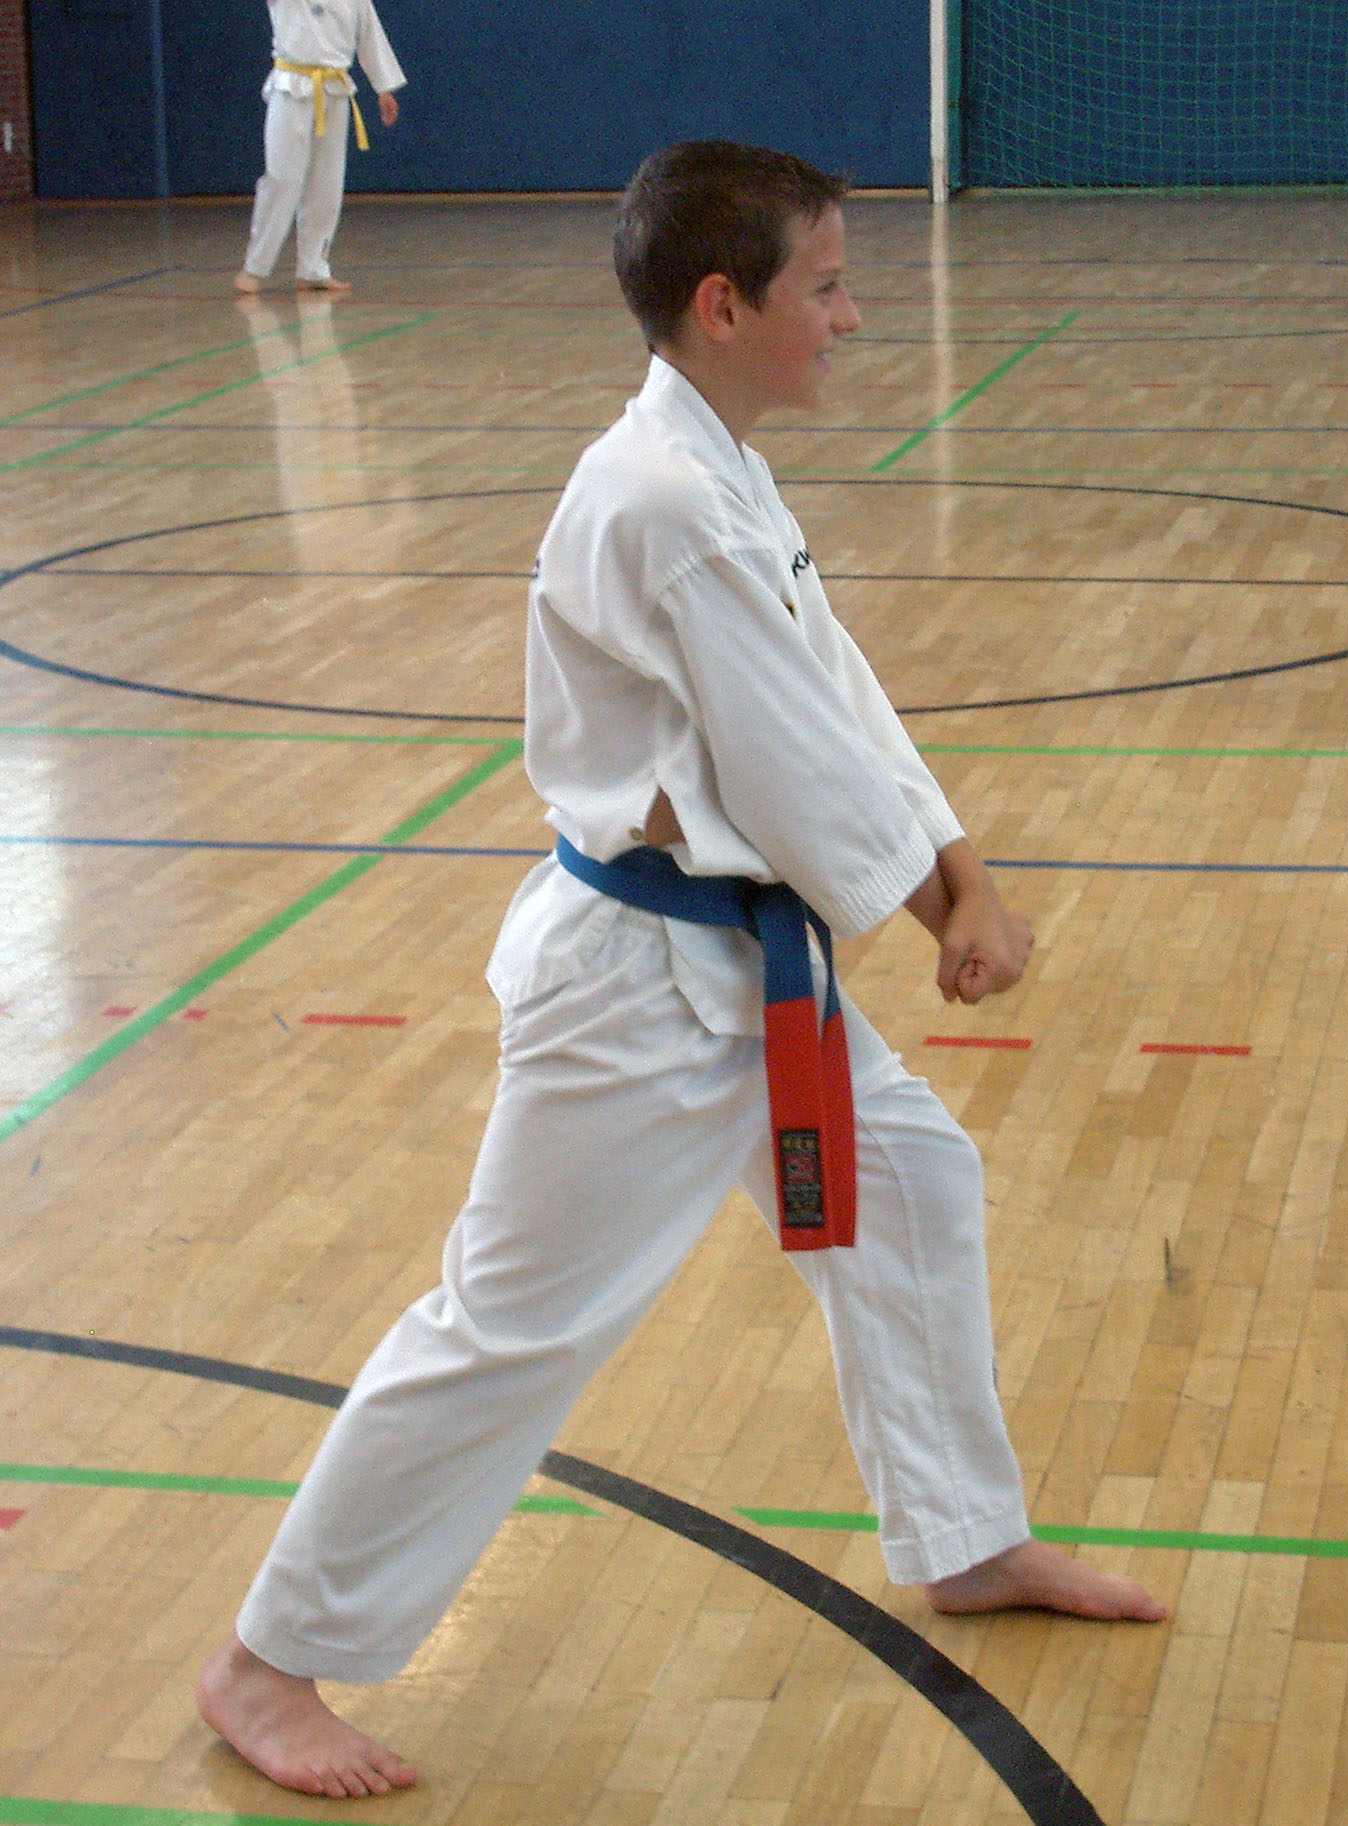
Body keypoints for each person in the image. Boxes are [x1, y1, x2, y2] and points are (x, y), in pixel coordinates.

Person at [198, 139, 1167, 1799]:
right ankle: (265, 1663)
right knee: (513, 1327)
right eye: (827, 287)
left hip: (738, 966)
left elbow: (834, 689)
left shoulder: (713, 466)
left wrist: (961, 867)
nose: (851, 317)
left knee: (910, 1187)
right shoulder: (661, 497)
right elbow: (794, 768)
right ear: (723, 305)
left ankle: (960, 1533)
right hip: (637, 993)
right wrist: (946, 911)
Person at [234, 0, 405, 296]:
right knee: (282, 178)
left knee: (326, 182)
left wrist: (384, 89)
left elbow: (369, 35)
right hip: (291, 88)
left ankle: (314, 268)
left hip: (335, 90)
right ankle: (255, 267)